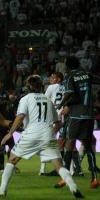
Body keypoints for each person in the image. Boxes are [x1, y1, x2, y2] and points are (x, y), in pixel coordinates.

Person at [0, 75, 83, 198]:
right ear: (41, 86)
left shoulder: (25, 99)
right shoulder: (48, 100)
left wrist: (10, 133)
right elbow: (58, 123)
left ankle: (2, 191)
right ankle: (73, 188)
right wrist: (50, 133)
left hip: (31, 134)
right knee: (59, 165)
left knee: (12, 160)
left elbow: (20, 117)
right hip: (48, 134)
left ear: (28, 86)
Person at [55, 56, 100, 189]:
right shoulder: (87, 74)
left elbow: (69, 93)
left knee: (69, 142)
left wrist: (60, 104)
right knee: (87, 144)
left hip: (76, 115)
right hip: (89, 114)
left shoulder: (70, 76)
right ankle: (94, 178)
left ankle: (65, 178)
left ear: (67, 66)